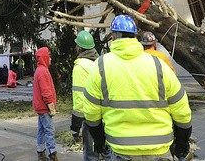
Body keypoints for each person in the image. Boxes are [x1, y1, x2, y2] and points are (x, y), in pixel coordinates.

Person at [82, 15, 191, 161]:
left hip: (121, 149)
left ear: (113, 36)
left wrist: (99, 141)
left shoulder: (101, 65)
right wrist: (182, 142)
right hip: (160, 149)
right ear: (135, 36)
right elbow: (181, 109)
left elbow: (91, 112)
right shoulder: (158, 64)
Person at [70, 30, 99, 161]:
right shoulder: (99, 63)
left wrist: (75, 128)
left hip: (90, 117)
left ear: (79, 48)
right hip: (105, 116)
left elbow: (79, 98)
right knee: (103, 152)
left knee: (90, 155)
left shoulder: (80, 67)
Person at [33, 46, 58, 161]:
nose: (50, 59)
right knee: (49, 130)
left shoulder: (39, 70)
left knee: (41, 130)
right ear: (45, 57)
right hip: (44, 107)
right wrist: (51, 106)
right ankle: (52, 153)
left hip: (40, 107)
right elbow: (46, 91)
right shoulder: (43, 71)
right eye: (49, 56)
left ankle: (40, 151)